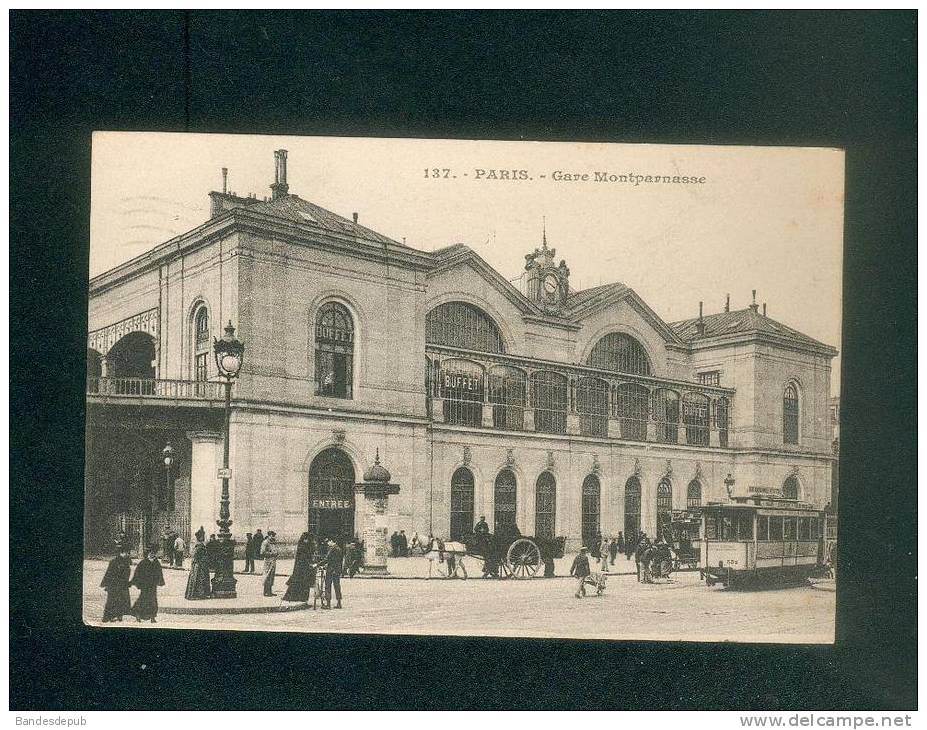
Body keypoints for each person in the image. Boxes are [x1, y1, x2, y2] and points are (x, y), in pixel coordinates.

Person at [130, 547, 165, 622]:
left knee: (153, 600)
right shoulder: (143, 562)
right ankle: (138, 614)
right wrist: (137, 582)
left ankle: (152, 617)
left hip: (153, 584)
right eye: (150, 553)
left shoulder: (156, 562)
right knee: (143, 599)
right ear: (148, 554)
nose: (152, 554)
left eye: (153, 553)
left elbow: (159, 573)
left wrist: (160, 581)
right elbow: (137, 573)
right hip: (145, 584)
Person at [100, 547, 132, 622]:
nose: (128, 554)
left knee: (122, 601)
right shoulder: (114, 562)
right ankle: (107, 618)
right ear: (122, 553)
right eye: (127, 553)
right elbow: (109, 573)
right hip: (114, 585)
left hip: (122, 585)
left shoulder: (126, 561)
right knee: (111, 601)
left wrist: (127, 583)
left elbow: (126, 574)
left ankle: (118, 616)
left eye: (128, 553)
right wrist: (107, 585)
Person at [283, 532, 315, 602]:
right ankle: (298, 597)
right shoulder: (303, 546)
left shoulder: (303, 545)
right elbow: (305, 556)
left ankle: (300, 597)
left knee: (302, 582)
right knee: (300, 581)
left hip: (302, 567)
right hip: (301, 567)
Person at [322, 539, 344, 609]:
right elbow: (338, 561)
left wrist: (317, 564)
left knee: (327, 586)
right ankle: (339, 603)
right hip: (337, 570)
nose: (328, 543)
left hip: (331, 570)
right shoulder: (339, 549)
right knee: (337, 586)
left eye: (328, 542)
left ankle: (328, 604)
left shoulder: (332, 549)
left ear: (332, 541)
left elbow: (327, 559)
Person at [261, 531, 278, 597]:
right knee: (267, 576)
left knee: (271, 576)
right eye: (272, 535)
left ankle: (270, 591)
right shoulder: (265, 542)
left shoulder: (273, 543)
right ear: (269, 535)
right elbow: (262, 552)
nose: (273, 537)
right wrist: (272, 554)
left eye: (274, 536)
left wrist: (276, 553)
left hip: (273, 561)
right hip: (268, 561)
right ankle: (266, 592)